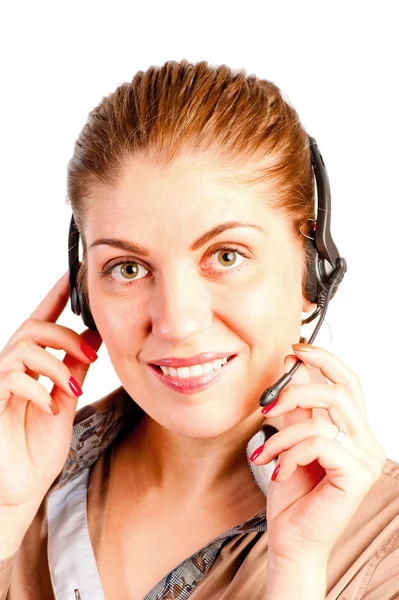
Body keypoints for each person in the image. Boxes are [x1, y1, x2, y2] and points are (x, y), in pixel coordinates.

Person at [0, 59, 398, 600]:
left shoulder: (385, 543)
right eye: (128, 268)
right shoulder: (19, 477)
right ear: (84, 292)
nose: (178, 322)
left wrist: (298, 570)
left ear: (312, 272)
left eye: (227, 256)